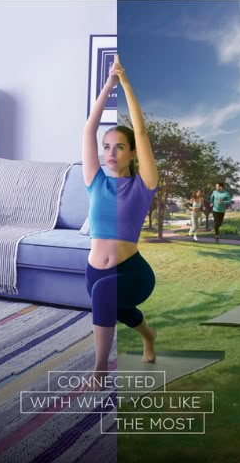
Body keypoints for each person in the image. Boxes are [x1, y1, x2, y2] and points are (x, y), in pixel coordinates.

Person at [82, 55, 159, 387]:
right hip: (94, 271)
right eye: (107, 147)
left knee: (106, 296)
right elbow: (89, 128)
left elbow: (141, 131)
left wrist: (125, 82)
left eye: (120, 147)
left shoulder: (143, 186)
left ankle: (100, 369)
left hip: (133, 273)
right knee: (120, 311)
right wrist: (107, 86)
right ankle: (149, 335)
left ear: (131, 153)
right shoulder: (95, 180)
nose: (111, 152)